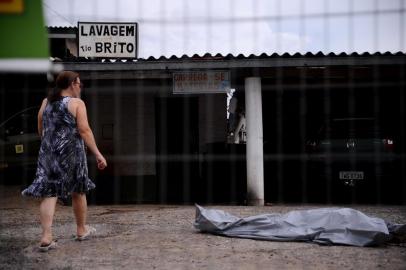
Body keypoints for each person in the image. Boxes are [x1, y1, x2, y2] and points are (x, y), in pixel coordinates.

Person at [22, 71, 107, 252]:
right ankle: (81, 230)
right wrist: (98, 154)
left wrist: (50, 144)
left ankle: (46, 236)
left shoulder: (46, 102)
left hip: (48, 152)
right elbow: (84, 131)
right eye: (79, 83)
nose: (80, 86)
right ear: (72, 84)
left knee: (49, 192)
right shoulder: (77, 103)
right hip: (72, 152)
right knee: (78, 189)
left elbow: (40, 127)